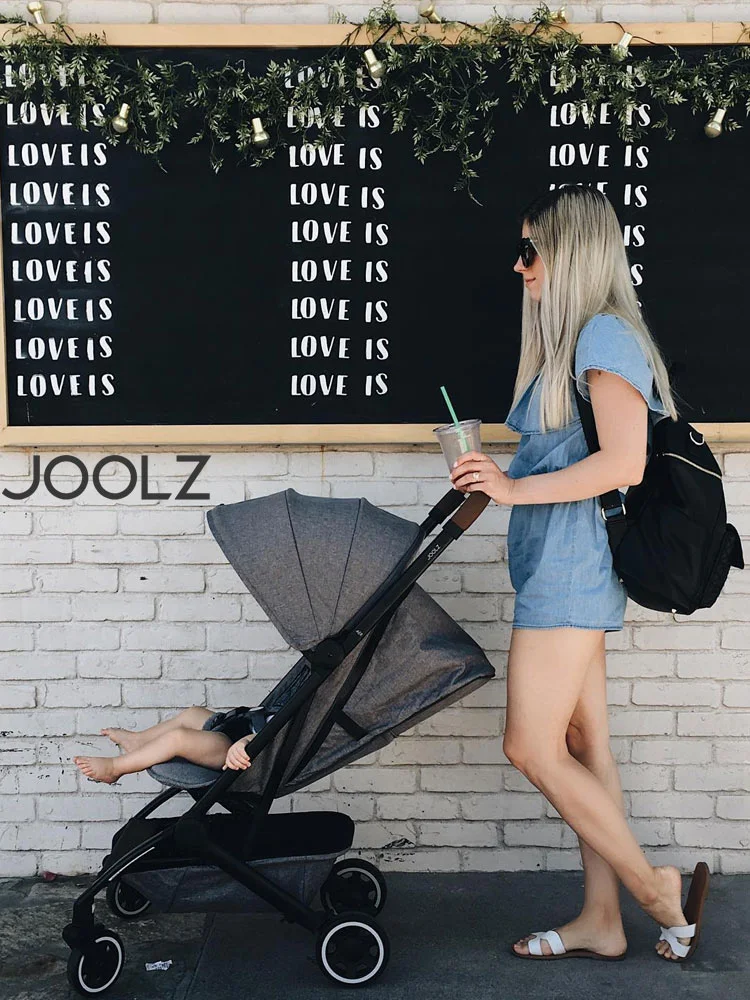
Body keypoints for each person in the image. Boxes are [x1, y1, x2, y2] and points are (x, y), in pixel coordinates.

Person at [450, 186, 709, 964]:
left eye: (532, 250)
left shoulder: (603, 335)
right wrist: (497, 480)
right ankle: (603, 919)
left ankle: (653, 891)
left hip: (570, 573)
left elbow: (623, 462)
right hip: (556, 567)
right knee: (582, 740)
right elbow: (571, 456)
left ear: (571, 254)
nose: (520, 265)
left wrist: (514, 487)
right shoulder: (576, 343)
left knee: (529, 746)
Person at [73, 706, 256, 784]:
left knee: (178, 738)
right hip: (238, 727)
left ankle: (115, 767)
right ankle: (139, 741)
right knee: (192, 714)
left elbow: (276, 738)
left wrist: (245, 742)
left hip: (238, 750)